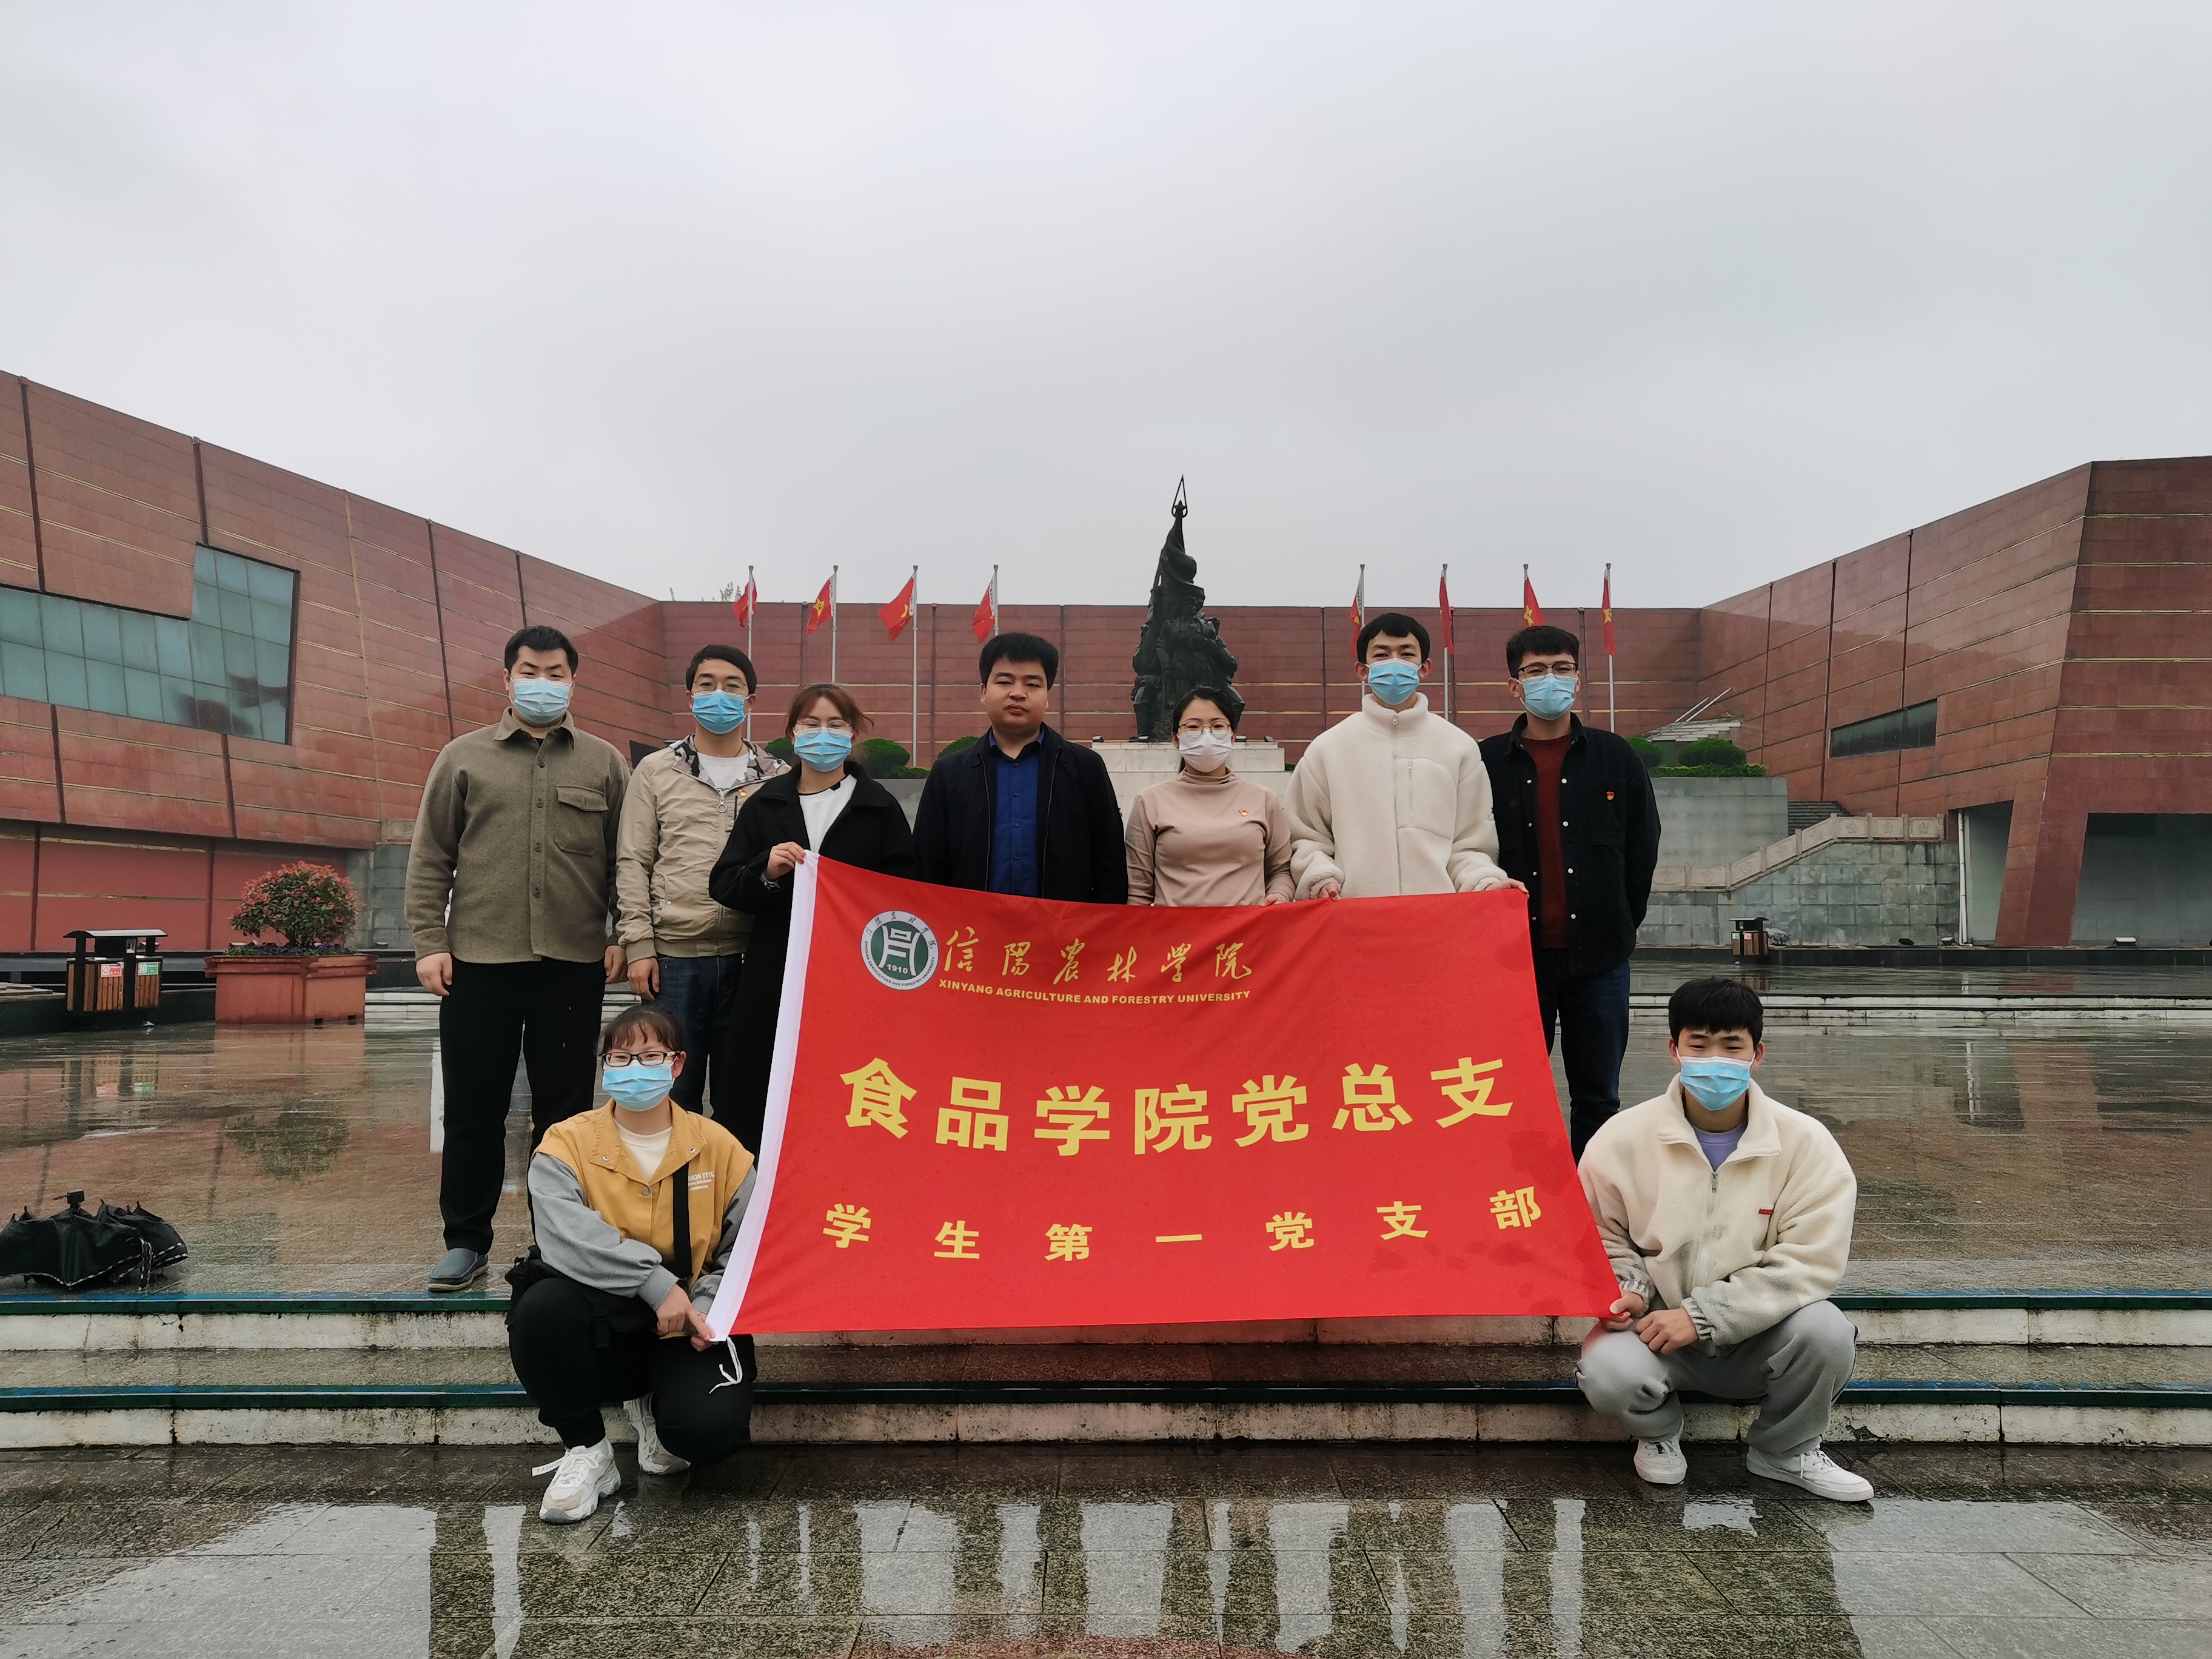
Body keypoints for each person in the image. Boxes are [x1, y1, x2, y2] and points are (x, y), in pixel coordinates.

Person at [1575, 977, 1871, 1502]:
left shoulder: (1806, 1144)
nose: (1715, 1059)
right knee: (1606, 1370)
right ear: (1674, 1049)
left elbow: (1810, 1261)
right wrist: (1628, 1288)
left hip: (1760, 1332)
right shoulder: (1621, 1139)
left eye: (1732, 1046)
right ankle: (1659, 1434)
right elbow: (1600, 1233)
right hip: (1655, 1332)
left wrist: (1705, 1315)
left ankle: (1786, 1450)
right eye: (1699, 1044)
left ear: (1757, 1053)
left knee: (1826, 1333)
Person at [407, 625, 629, 1293]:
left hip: (572, 962)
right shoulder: (463, 758)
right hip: (479, 960)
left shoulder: (604, 763)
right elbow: (431, 856)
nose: (542, 683)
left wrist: (623, 933)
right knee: (474, 1108)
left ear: (573, 681)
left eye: (555, 672)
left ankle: (555, 1242)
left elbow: (624, 861)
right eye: (529, 671)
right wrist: (429, 942)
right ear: (506, 679)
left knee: (565, 1113)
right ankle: (465, 1242)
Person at [508, 1003, 759, 1524]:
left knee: (709, 1436)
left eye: (650, 1056)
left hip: (691, 1323)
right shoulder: (567, 1142)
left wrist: (707, 1304)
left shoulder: (720, 1147)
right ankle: (588, 1451)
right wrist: (653, 1283)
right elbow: (564, 1235)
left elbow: (748, 1244)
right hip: (602, 1317)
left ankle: (655, 1408)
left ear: (678, 1064)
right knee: (540, 1308)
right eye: (620, 1058)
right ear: (605, 1067)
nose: (634, 1069)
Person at [709, 684, 919, 1151]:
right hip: (774, 975)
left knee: (845, 1090)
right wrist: (766, 871)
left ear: (853, 734)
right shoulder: (765, 804)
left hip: (855, 980)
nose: (823, 734)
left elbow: (906, 896)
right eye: (811, 724)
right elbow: (724, 885)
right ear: (792, 733)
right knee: (760, 1091)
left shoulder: (878, 807)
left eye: (835, 724)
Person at [1479, 625, 1661, 1158]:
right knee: (1511, 1093)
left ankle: (1593, 1199)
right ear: (1515, 685)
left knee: (1598, 1098)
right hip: (1513, 961)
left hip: (1599, 960)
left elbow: (1642, 850)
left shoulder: (1614, 757)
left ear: (1578, 680)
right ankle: (1521, 1196)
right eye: (1536, 670)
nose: (1550, 679)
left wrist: (1620, 923)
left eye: (1561, 668)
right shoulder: (1484, 761)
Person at [617, 644, 786, 1118]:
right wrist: (638, 946)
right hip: (674, 961)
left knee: (746, 1099)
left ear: (750, 701)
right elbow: (633, 861)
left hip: (752, 960)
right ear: (690, 697)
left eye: (732, 686)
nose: (719, 695)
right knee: (671, 1097)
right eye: (707, 685)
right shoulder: (656, 771)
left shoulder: (778, 779)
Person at [1284, 612, 1518, 901]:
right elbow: (1307, 836)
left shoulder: (1458, 747)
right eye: (1382, 655)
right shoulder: (1328, 749)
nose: (1394, 663)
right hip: (1354, 913)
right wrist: (1321, 878)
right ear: (1362, 670)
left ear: (1424, 668)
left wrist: (1486, 882)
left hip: (1438, 914)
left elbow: (1471, 844)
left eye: (1407, 654)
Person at [913, 632, 1127, 905]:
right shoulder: (948, 773)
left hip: (1062, 928)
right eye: (1004, 682)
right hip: (971, 927)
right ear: (983, 692)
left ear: (1047, 697)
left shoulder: (1086, 768)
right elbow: (926, 867)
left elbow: (1110, 865)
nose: (1017, 693)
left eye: (1032, 684)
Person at [1125, 685, 1293, 907]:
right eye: (1193, 727)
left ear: (1232, 736)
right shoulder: (1150, 801)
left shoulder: (1263, 799)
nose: (1207, 735)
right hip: (1176, 929)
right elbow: (1138, 891)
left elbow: (1281, 871)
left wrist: (1279, 896)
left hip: (1248, 927)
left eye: (1218, 726)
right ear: (1176, 738)